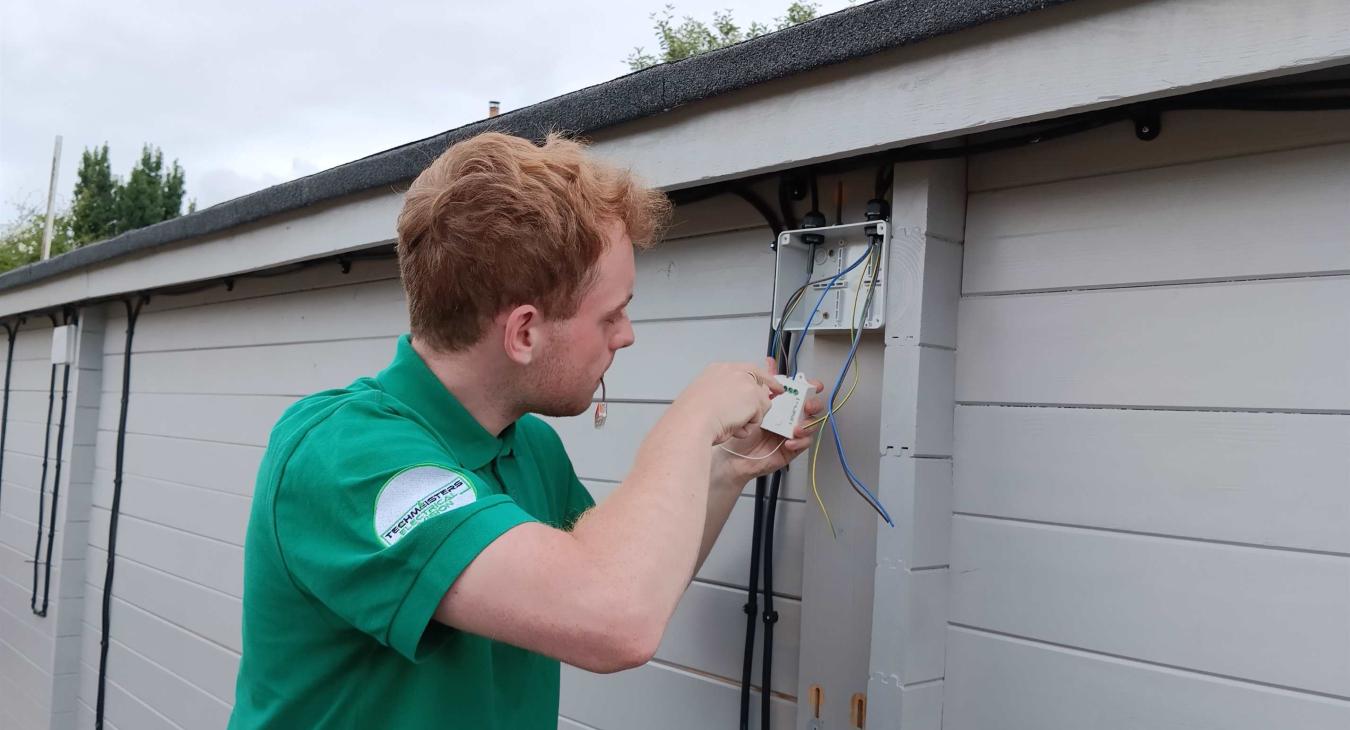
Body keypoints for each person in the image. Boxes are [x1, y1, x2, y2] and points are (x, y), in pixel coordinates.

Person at [227, 132, 823, 729]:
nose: (626, 334)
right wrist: (692, 420)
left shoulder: (528, 445)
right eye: (610, 314)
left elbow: (635, 576)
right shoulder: (342, 455)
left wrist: (723, 469)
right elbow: (614, 618)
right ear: (524, 333)